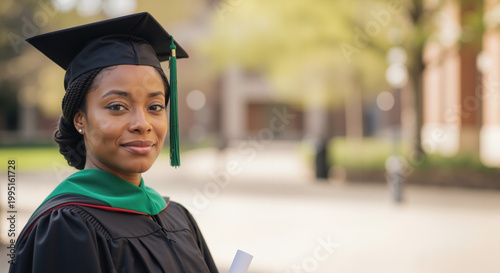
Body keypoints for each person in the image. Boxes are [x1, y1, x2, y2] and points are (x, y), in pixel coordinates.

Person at [10, 12, 218, 273]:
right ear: (80, 120)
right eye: (117, 106)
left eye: (155, 106)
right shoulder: (68, 226)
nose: (142, 123)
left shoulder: (178, 216)